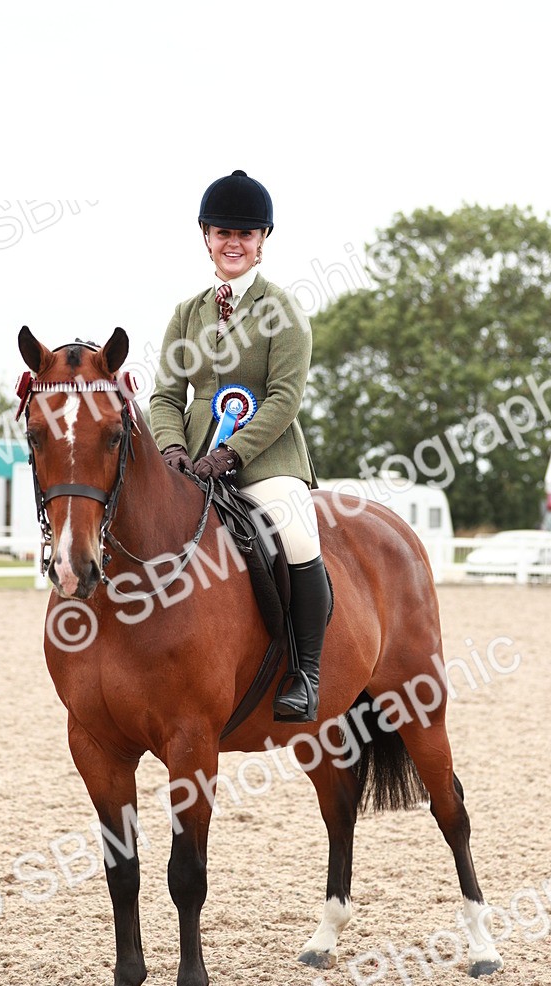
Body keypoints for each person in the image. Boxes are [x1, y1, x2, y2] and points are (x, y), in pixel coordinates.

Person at [149, 169, 330, 722]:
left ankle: (305, 672)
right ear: (206, 236)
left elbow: (284, 398)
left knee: (297, 536)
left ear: (262, 240)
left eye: (245, 234)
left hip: (266, 457)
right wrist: (173, 450)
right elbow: (164, 397)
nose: (234, 243)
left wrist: (231, 453)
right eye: (223, 232)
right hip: (190, 460)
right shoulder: (187, 313)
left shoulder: (284, 310)